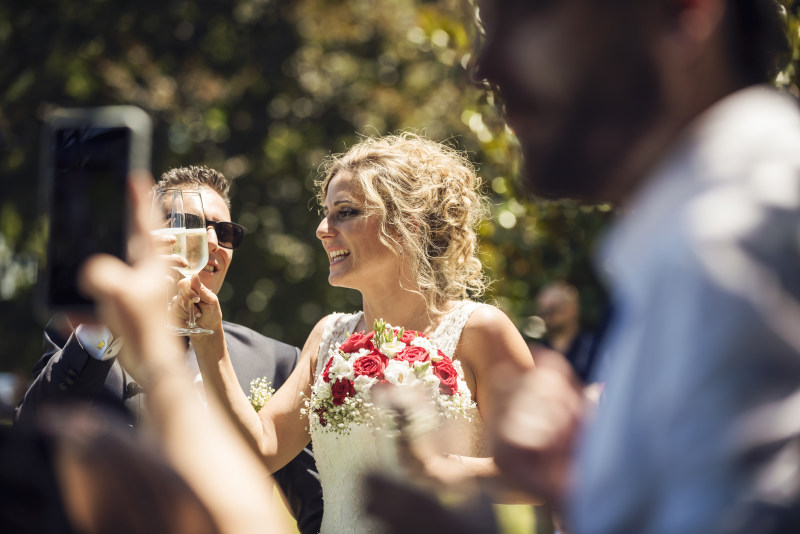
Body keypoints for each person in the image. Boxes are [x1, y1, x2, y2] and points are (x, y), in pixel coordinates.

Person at [474, 0, 800, 533]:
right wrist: (584, 488)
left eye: (528, 15)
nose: (484, 68)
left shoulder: (724, 242)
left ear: (682, 14)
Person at [175, 133, 536, 533]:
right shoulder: (327, 337)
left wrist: (441, 470)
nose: (322, 229)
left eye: (344, 212)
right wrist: (209, 337)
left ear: (407, 225)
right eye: (325, 213)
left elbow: (540, 472)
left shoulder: (480, 330)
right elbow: (261, 449)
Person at [15, 165, 323, 534]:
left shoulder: (276, 360)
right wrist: (109, 323)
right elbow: (31, 427)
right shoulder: (81, 334)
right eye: (190, 223)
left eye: (225, 232)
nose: (211, 240)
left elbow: (317, 510)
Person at [529, 281, 595, 383]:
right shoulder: (537, 353)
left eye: (553, 309)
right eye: (543, 311)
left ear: (573, 309)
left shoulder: (594, 346)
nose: (548, 316)